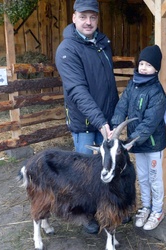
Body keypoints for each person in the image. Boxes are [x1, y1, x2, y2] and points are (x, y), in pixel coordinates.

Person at [55, 0, 118, 234]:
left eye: (93, 17)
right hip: (86, 124)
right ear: (74, 18)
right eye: (83, 17)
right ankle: (85, 215)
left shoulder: (103, 44)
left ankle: (108, 211)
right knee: (84, 173)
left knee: (107, 167)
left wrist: (114, 116)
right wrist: (100, 122)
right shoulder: (67, 49)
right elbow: (78, 91)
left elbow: (109, 85)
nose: (88, 22)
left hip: (106, 120)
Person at [110, 45, 166, 231]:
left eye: (148, 65)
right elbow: (122, 106)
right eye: (141, 63)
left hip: (151, 144)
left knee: (154, 178)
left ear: (156, 69)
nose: (143, 68)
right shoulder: (132, 85)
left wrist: (130, 140)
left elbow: (150, 123)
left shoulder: (157, 92)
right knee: (142, 177)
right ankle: (146, 207)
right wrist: (115, 128)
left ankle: (158, 210)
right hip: (136, 144)